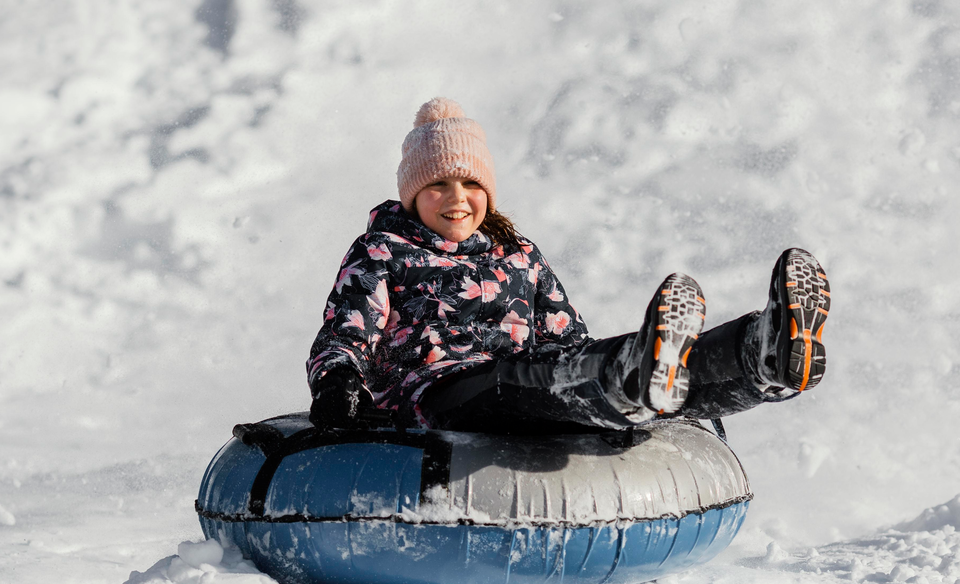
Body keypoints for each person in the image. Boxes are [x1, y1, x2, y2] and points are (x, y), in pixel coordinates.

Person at [307, 98, 830, 434]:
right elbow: (345, 333)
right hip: (436, 393)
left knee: (585, 362)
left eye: (471, 185)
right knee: (523, 380)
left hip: (525, 379)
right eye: (437, 185)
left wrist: (593, 357)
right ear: (412, 194)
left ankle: (758, 358)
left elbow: (565, 336)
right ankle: (632, 380)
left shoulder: (518, 254)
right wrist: (337, 384)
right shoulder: (383, 251)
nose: (457, 198)